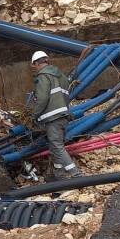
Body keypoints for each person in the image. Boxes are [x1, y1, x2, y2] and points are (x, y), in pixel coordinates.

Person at [29, 51, 82, 180]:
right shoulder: (61, 76)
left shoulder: (43, 76)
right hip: (63, 115)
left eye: (34, 65)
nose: (35, 68)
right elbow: (65, 95)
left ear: (37, 63)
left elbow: (42, 98)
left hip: (53, 117)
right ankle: (59, 175)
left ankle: (76, 174)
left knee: (57, 145)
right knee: (55, 146)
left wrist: (34, 115)